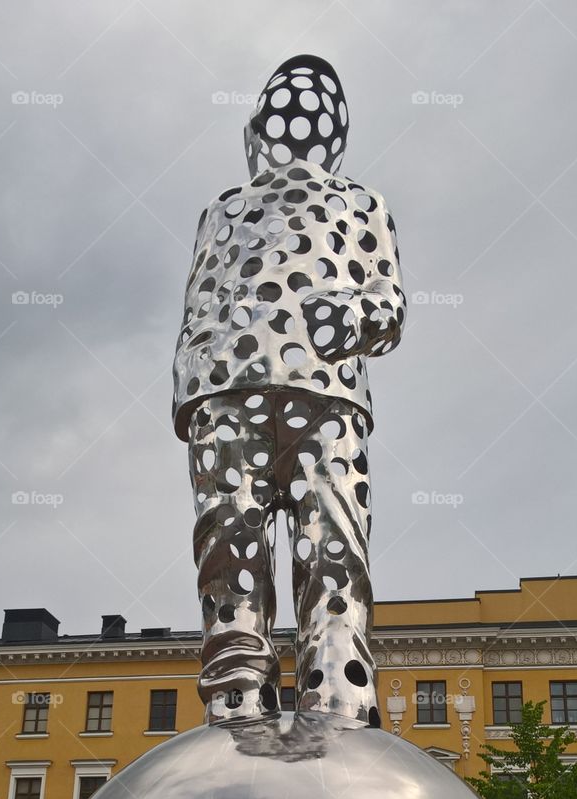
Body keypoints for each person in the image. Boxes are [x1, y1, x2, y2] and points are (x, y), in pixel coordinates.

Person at [173, 54, 406, 725]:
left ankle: (337, 683)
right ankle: (236, 687)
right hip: (227, 389)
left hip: (323, 392)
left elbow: (388, 300)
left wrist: (353, 317)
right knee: (230, 534)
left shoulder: (361, 203)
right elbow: (200, 300)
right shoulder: (224, 209)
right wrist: (189, 391)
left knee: (331, 537)